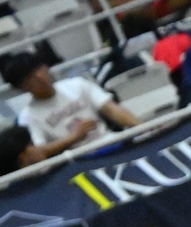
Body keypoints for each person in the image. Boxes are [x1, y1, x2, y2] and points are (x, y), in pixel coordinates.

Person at [1, 53, 136, 162]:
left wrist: (140, 127)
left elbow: (111, 109)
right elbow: (39, 152)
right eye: (31, 77)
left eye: (39, 69)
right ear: (22, 87)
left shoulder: (76, 84)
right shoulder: (28, 117)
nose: (40, 77)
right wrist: (74, 137)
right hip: (77, 161)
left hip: (110, 140)